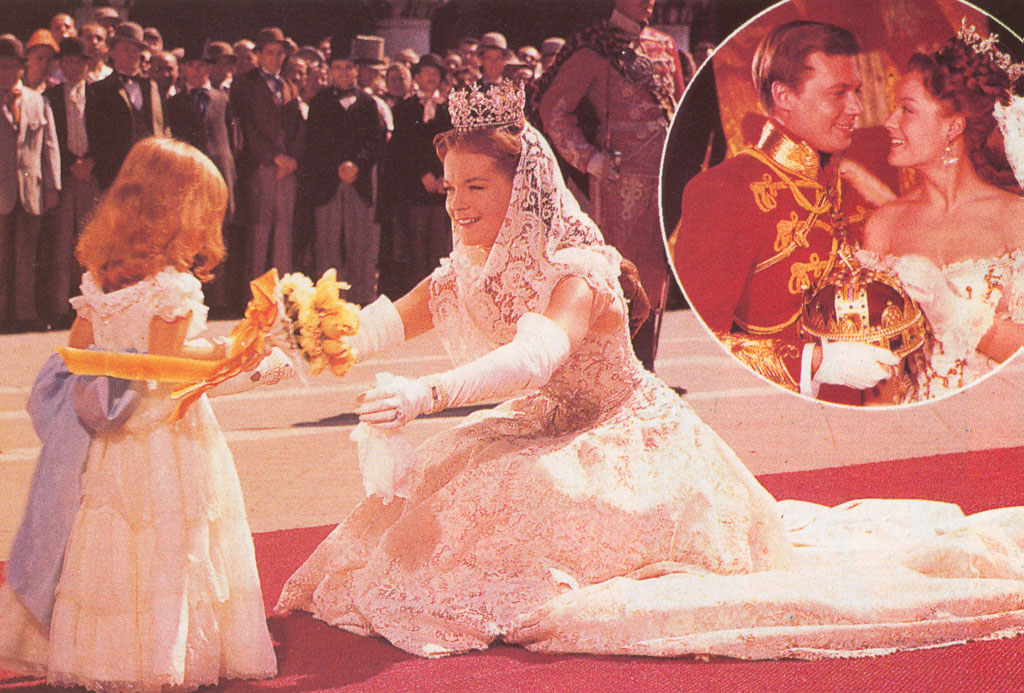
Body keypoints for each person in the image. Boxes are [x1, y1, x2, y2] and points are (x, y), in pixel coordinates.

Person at [275, 80, 1024, 660]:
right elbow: (378, 325)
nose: (456, 206)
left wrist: (427, 392)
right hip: (546, 424)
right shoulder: (465, 269)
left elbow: (536, 356)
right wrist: (289, 350)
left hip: (625, 434)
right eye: (450, 188)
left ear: (523, 188)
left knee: (510, 497)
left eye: (476, 187)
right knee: (441, 497)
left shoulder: (578, 270)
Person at [0, 137, 277, 690]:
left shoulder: (102, 277)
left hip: (110, 438)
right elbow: (168, 369)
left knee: (108, 540)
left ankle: (103, 655)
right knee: (171, 538)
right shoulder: (174, 287)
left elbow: (79, 355)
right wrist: (237, 352)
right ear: (181, 212)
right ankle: (160, 655)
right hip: (166, 433)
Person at [671, 21, 897, 403]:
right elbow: (702, 345)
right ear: (784, 96)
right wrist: (816, 362)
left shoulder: (854, 184)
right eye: (838, 93)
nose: (856, 108)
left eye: (856, 91)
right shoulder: (724, 191)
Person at [860, 23, 1024, 401]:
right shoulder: (883, 225)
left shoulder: (1014, 218)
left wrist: (951, 313)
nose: (889, 121)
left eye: (907, 109)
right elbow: (878, 378)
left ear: (953, 127)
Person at [536, 0, 685, 372]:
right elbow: (553, 108)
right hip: (621, 180)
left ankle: (646, 367)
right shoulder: (595, 45)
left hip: (664, 176)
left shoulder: (665, 45)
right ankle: (616, 368)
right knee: (622, 270)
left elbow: (678, 109)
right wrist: (589, 159)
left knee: (657, 271)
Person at [302, 47, 387, 302]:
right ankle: (329, 301)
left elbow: (375, 140)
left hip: (358, 180)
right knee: (327, 243)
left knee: (360, 240)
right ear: (329, 72)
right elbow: (314, 142)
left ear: (357, 71)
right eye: (337, 68)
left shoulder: (368, 103)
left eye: (348, 68)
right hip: (328, 181)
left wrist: (356, 165)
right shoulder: (319, 103)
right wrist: (337, 167)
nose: (343, 73)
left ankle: (362, 298)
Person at [230, 26, 304, 277]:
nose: (275, 58)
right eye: (270, 53)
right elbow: (247, 127)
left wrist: (292, 160)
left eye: (280, 53)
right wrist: (274, 157)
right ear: (259, 55)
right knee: (259, 233)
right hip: (261, 166)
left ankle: (282, 291)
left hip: (287, 169)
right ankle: (255, 292)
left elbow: (298, 127)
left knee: (284, 233)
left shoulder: (290, 85)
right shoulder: (244, 85)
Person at [0, 34, 60, 332]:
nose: (8, 72)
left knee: (27, 255)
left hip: (31, 189)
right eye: (2, 66)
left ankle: (24, 313)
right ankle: (2, 314)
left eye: (14, 66)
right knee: (2, 254)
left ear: (22, 68)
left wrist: (53, 186)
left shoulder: (38, 101)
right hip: (2, 190)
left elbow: (50, 146)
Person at [43, 37, 97, 328]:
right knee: (62, 242)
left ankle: (90, 308)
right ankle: (60, 307)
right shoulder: (50, 96)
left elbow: (104, 132)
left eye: (78, 62)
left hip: (91, 172)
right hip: (65, 174)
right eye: (68, 62)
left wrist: (91, 161)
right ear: (60, 64)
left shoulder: (98, 93)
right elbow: (50, 140)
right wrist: (70, 165)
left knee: (89, 243)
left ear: (87, 64)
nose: (73, 67)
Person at [86, 21, 168, 190]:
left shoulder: (153, 86)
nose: (131, 54)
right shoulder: (98, 89)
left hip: (153, 171)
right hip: (117, 174)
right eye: (125, 49)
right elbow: (96, 137)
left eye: (135, 50)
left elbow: (164, 126)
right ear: (112, 52)